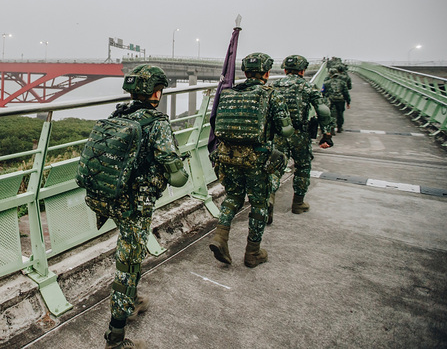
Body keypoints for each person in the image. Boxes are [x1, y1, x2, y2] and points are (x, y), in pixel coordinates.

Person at [85, 65, 187, 349]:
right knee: (127, 266)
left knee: (132, 253)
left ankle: (131, 302)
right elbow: (177, 178)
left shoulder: (118, 115)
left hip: (108, 199)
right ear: (157, 92)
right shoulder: (157, 123)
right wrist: (179, 168)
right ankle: (115, 339)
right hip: (134, 205)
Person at [208, 53, 293, 268]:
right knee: (259, 203)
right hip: (256, 159)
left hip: (227, 156)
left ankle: (220, 236)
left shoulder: (229, 94)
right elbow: (285, 130)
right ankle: (253, 252)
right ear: (266, 73)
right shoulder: (272, 95)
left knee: (233, 196)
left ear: (245, 72)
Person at [269, 55, 333, 218]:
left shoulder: (275, 86)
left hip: (278, 134)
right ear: (303, 71)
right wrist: (326, 134)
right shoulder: (308, 87)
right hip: (299, 134)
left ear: (284, 70)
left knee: (274, 168)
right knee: (303, 167)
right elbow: (323, 110)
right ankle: (298, 203)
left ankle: (268, 201)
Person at [323, 67, 351, 133]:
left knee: (330, 114)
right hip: (340, 100)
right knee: (340, 113)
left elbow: (323, 93)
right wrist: (348, 102)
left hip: (330, 99)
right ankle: (339, 127)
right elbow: (346, 93)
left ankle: (331, 127)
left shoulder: (326, 83)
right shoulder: (342, 82)